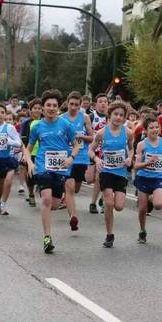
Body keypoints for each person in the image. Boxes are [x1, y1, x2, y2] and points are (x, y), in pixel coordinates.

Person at [25, 89, 79, 254]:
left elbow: (76, 145)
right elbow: (27, 148)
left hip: (61, 169)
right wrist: (29, 163)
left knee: (54, 205)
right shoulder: (37, 126)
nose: (51, 108)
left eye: (54, 105)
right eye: (48, 105)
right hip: (42, 166)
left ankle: (59, 199)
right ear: (42, 108)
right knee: (46, 200)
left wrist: (71, 158)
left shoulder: (65, 125)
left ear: (58, 107)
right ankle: (47, 237)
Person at [90, 101, 134, 248]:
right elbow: (91, 150)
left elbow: (131, 149)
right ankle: (109, 235)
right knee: (110, 204)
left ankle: (107, 197)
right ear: (110, 116)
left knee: (119, 206)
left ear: (124, 117)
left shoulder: (127, 133)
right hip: (106, 171)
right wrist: (96, 159)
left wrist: (129, 157)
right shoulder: (102, 133)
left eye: (121, 115)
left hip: (121, 173)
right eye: (116, 114)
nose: (118, 117)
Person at [134, 116, 162, 243]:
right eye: (151, 128)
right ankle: (142, 231)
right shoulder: (142, 145)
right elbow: (136, 166)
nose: (155, 130)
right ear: (146, 131)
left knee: (158, 205)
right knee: (143, 209)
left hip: (157, 179)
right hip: (143, 178)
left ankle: (150, 198)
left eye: (156, 127)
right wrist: (147, 163)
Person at [60, 91, 94, 230]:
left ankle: (65, 197)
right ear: (67, 103)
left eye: (76, 105)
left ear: (80, 106)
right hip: (67, 158)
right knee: (70, 187)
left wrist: (81, 136)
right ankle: (73, 216)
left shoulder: (84, 117)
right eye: (71, 104)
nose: (73, 107)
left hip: (81, 158)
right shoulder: (61, 118)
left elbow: (92, 137)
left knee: (77, 188)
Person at [87, 93, 109, 214]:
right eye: (100, 101)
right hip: (92, 149)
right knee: (89, 179)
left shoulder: (111, 117)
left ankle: (93, 203)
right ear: (96, 105)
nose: (103, 104)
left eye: (105, 101)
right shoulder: (91, 116)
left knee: (98, 178)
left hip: (105, 151)